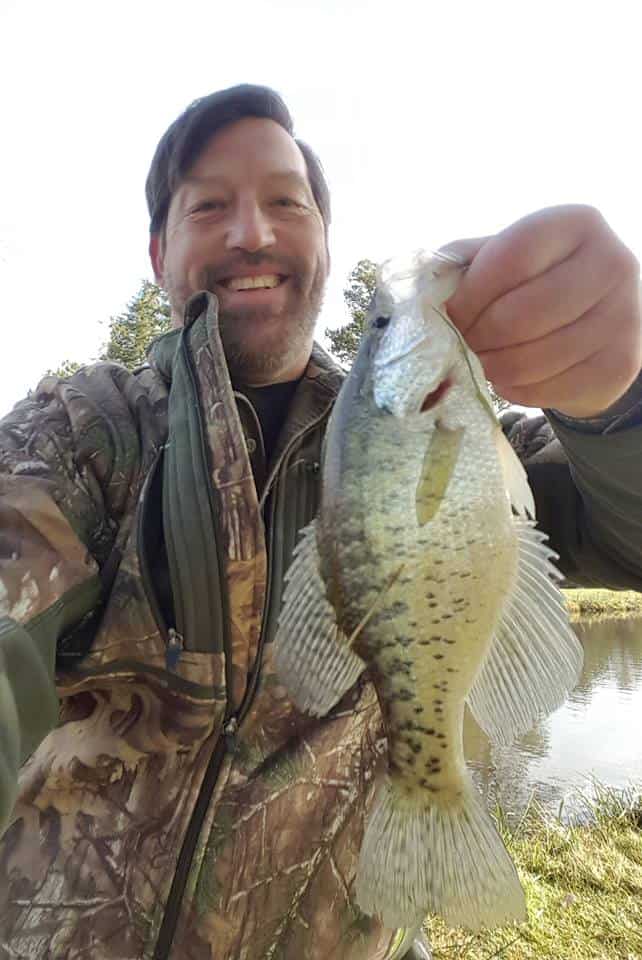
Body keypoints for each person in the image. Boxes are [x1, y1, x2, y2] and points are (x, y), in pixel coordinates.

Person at [0, 83, 641, 960]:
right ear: (159, 253)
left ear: (324, 245)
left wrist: (615, 407)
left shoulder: (459, 436)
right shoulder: (75, 436)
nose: (252, 232)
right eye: (210, 206)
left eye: (285, 201)